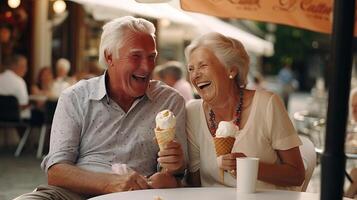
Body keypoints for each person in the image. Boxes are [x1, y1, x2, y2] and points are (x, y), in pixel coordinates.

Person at [15, 16, 187, 200]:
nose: (147, 67)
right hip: (72, 194)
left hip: (137, 195)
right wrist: (108, 183)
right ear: (109, 57)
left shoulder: (169, 101)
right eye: (136, 56)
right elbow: (56, 171)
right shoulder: (75, 97)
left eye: (152, 57)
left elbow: (175, 175)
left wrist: (175, 166)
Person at [185, 32, 305, 191]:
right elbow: (194, 181)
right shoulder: (193, 111)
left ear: (231, 70)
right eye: (191, 69)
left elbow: (297, 174)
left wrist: (249, 167)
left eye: (203, 65)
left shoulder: (267, 104)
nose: (195, 75)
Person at [0, 54, 30, 119]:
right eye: (24, 67)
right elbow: (23, 104)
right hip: (16, 119)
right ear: (15, 66)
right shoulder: (20, 82)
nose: (26, 70)